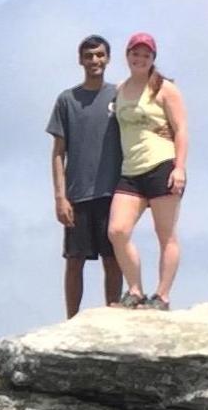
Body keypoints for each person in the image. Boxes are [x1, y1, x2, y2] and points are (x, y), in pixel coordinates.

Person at [107, 32, 188, 309]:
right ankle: (135, 290)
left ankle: (162, 295)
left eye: (146, 55)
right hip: (131, 169)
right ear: (127, 55)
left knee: (165, 233)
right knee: (117, 231)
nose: (140, 59)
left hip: (162, 164)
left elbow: (182, 130)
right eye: (135, 53)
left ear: (153, 58)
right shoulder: (120, 89)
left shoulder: (165, 89)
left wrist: (179, 168)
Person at [46, 35, 124, 316]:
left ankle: (113, 314)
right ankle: (71, 319)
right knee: (74, 259)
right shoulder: (67, 100)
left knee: (113, 258)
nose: (95, 61)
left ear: (108, 58)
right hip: (77, 193)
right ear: (80, 60)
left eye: (100, 55)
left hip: (112, 192)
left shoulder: (120, 95)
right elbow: (58, 152)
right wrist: (60, 196)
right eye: (89, 56)